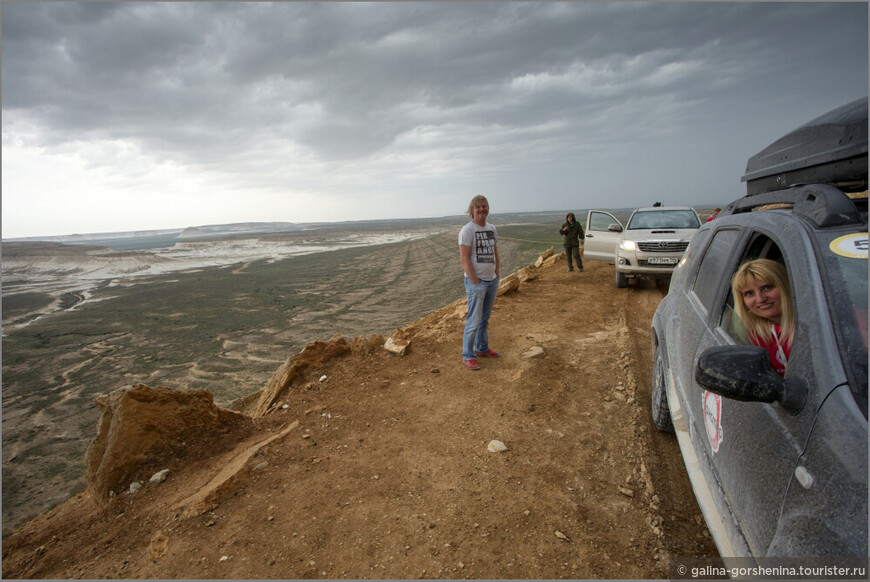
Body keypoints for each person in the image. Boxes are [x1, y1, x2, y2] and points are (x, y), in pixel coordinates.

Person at [731, 258, 794, 376]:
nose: (760, 299)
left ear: (785, 285)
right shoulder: (747, 336)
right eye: (749, 293)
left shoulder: (818, 322)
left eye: (767, 287)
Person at [459, 195, 500, 370]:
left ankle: (482, 348)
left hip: (491, 281)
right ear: (472, 210)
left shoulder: (492, 228)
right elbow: (464, 258)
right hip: (477, 283)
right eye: (478, 207)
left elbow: (495, 252)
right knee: (473, 320)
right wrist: (475, 281)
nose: (482, 209)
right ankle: (468, 355)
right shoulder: (467, 230)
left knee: (484, 319)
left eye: (484, 206)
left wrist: (497, 273)